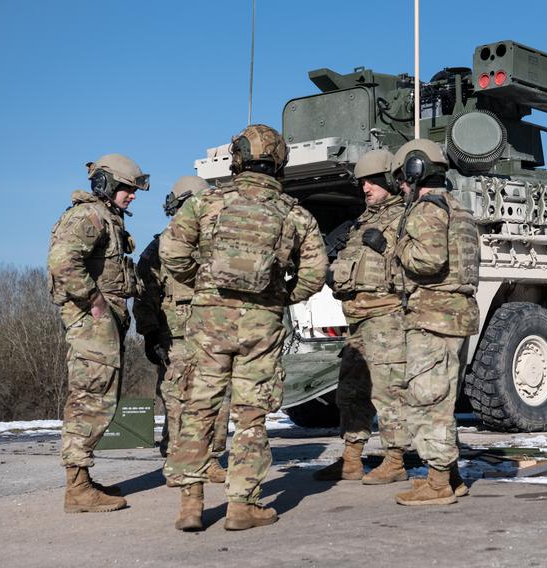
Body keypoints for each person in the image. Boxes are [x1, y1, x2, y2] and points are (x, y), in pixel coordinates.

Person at [160, 124, 327, 531]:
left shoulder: (205, 203)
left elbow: (171, 253)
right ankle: (242, 505)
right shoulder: (294, 212)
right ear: (279, 163)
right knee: (251, 416)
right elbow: (316, 273)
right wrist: (282, 297)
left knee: (199, 409)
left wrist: (202, 280)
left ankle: (190, 504)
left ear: (236, 158)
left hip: (208, 322)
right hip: (261, 325)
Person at [47, 153, 149, 513]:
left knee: (99, 400)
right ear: (106, 184)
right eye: (126, 189)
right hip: (93, 326)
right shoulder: (88, 216)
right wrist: (95, 302)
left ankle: (82, 480)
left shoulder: (107, 218)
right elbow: (62, 263)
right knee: (90, 401)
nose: (132, 195)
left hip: (103, 326)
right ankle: (77, 489)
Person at [390, 139, 479, 506]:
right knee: (442, 399)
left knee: (427, 400)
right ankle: (452, 476)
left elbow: (427, 261)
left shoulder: (427, 211)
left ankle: (438, 482)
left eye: (403, 179)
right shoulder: (459, 210)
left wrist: (396, 248)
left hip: (432, 317)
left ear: (416, 171)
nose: (401, 187)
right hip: (453, 316)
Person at [313, 149, 410, 484]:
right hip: (357, 319)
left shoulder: (405, 218)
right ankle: (351, 459)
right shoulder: (361, 222)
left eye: (372, 181)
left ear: (389, 181)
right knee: (351, 390)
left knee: (389, 391)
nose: (366, 188)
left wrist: (386, 248)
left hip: (387, 317)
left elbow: (417, 265)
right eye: (362, 183)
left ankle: (395, 460)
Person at [133, 175, 229, 484]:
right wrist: (149, 335)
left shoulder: (220, 243)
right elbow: (145, 293)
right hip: (175, 339)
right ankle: (176, 456)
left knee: (217, 399)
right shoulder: (161, 246)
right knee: (177, 400)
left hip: (215, 334)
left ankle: (210, 458)